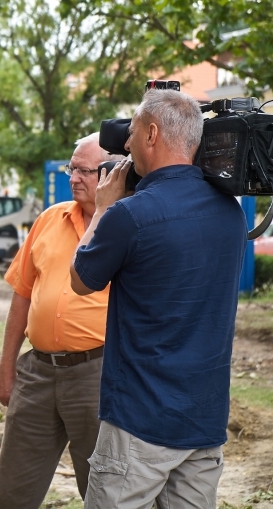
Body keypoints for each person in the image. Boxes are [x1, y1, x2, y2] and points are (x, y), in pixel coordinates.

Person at [70, 89, 247, 508]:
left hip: (139, 420)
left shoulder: (130, 215)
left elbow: (80, 280)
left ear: (151, 134)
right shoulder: (232, 213)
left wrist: (102, 208)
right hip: (203, 420)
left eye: (131, 133)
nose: (126, 146)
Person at [0, 134, 119, 509]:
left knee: (103, 494)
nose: (73, 178)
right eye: (71, 169)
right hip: (38, 373)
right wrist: (6, 368)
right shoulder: (49, 219)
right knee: (12, 494)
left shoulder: (127, 224)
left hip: (97, 375)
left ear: (111, 173)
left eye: (84, 171)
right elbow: (22, 295)